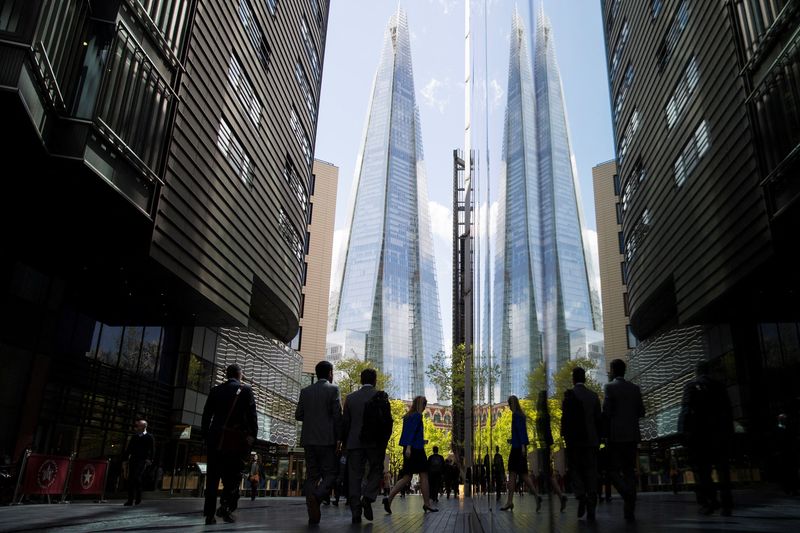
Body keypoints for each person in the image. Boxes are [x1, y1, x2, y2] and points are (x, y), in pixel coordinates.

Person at [201, 364, 258, 525]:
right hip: (234, 440)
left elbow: (206, 416)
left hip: (215, 440)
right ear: (239, 375)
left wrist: (207, 436)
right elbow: (252, 415)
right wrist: (253, 436)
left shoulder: (215, 390)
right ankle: (226, 507)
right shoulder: (246, 390)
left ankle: (209, 514)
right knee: (232, 478)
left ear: (227, 375)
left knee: (212, 479)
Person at [678, 361, 733, 516]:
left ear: (697, 372)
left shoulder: (691, 386)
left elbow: (686, 409)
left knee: (703, 470)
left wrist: (682, 431)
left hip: (700, 435)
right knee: (723, 469)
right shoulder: (720, 386)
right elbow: (728, 411)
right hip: (720, 433)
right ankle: (727, 503)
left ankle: (711, 501)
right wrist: (729, 432)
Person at [295, 360, 342, 525]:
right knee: (331, 473)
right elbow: (337, 416)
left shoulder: (305, 391)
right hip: (327, 440)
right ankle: (318, 497)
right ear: (329, 372)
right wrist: (339, 438)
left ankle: (312, 513)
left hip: (308, 439)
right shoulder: (333, 389)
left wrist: (311, 416)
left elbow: (298, 415)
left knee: (312, 476)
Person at [342, 368, 387, 523]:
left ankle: (355, 510)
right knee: (376, 470)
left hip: (354, 442)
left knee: (354, 475)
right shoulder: (380, 397)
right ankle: (368, 497)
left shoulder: (350, 398)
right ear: (375, 380)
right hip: (374, 443)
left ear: (361, 380)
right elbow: (388, 422)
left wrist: (343, 443)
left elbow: (345, 423)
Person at [603, 358, 645, 522]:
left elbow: (606, 411)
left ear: (613, 370)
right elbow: (642, 411)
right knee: (629, 471)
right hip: (633, 435)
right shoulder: (634, 388)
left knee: (612, 470)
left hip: (616, 436)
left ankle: (627, 494)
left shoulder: (609, 387)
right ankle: (629, 510)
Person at [383, 396, 438, 513]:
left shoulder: (408, 416)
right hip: (416, 450)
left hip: (409, 448)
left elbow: (408, 433)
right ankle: (427, 504)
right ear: (420, 404)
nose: (425, 407)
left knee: (407, 477)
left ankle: (389, 499)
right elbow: (412, 432)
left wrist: (416, 443)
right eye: (424, 404)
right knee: (424, 475)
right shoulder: (417, 416)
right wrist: (410, 447)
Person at [562, 367, 602, 522]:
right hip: (591, 441)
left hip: (574, 442)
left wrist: (565, 438)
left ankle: (580, 496)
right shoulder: (593, 396)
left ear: (573, 379)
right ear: (585, 379)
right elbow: (598, 419)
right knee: (591, 472)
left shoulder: (569, 396)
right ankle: (591, 505)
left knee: (575, 470)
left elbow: (564, 421)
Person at [500, 395, 542, 512]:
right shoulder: (521, 415)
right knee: (524, 475)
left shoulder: (516, 415)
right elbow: (520, 433)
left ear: (512, 404)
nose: (509, 407)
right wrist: (513, 441)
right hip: (520, 447)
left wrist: (522, 446)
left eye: (509, 405)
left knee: (512, 474)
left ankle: (509, 502)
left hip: (517, 449)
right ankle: (537, 497)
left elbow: (521, 431)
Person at [123, 419, 154, 506]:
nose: (138, 427)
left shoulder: (149, 437)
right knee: (131, 479)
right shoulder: (135, 437)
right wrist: (125, 459)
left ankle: (138, 497)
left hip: (142, 461)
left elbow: (152, 450)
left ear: (144, 427)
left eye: (140, 426)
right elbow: (129, 448)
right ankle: (130, 500)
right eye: (138, 426)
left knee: (137, 477)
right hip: (133, 460)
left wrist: (150, 459)